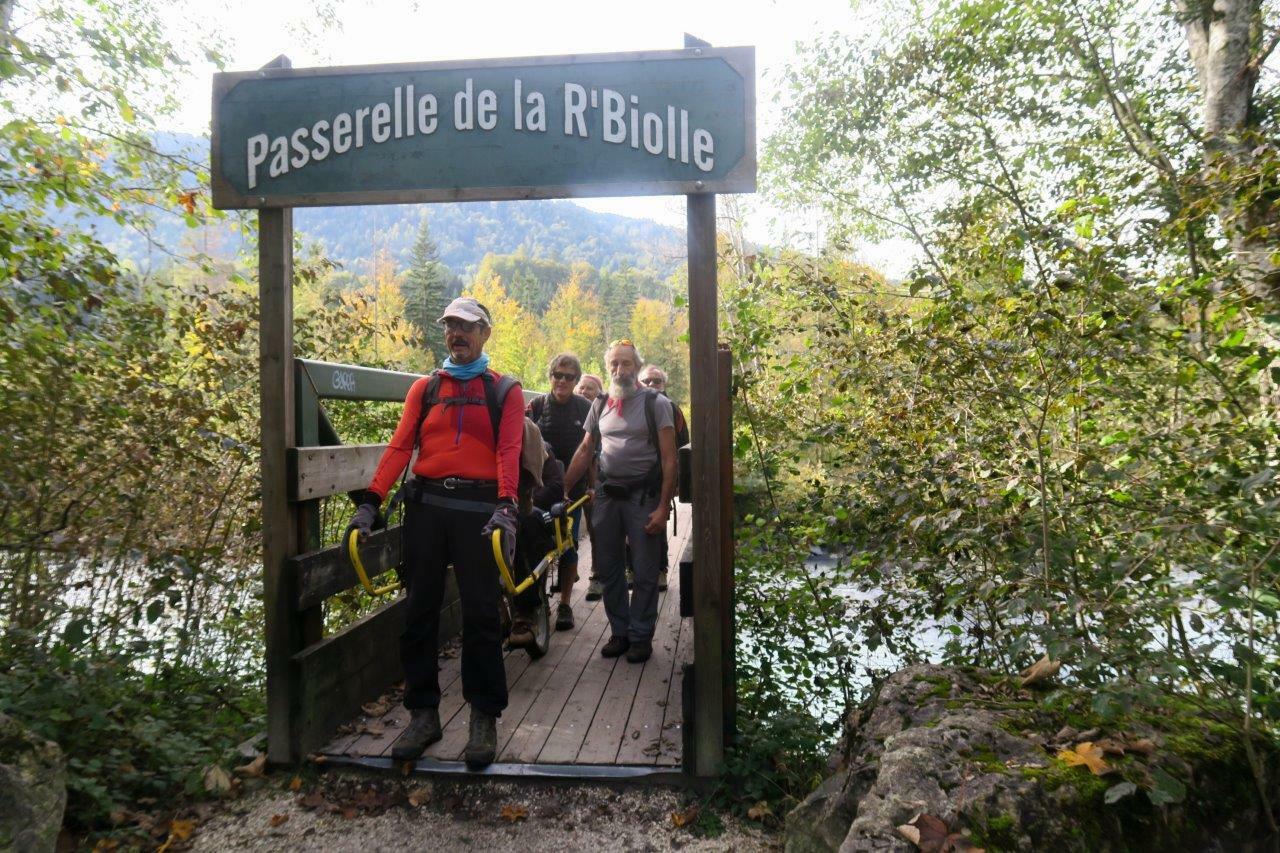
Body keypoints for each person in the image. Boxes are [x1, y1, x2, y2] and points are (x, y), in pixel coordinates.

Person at [345, 296, 522, 770]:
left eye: (466, 326)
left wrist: (507, 505)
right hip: (426, 508)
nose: (456, 334)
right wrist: (371, 502)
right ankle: (423, 715)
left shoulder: (504, 390)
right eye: (450, 326)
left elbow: (508, 450)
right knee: (418, 613)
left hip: (479, 512)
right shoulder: (424, 389)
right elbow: (400, 447)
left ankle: (483, 716)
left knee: (481, 614)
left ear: (484, 333)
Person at [563, 340, 677, 664]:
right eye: (614, 363)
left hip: (643, 497)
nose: (619, 370)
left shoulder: (656, 404)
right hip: (607, 497)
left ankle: (640, 636)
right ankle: (620, 632)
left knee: (644, 570)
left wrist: (663, 506)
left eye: (626, 363)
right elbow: (586, 449)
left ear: (637, 367)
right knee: (609, 568)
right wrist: (563, 488)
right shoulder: (600, 403)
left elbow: (670, 459)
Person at [525, 353, 591, 631]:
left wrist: (591, 485)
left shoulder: (585, 407)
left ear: (576, 380)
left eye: (569, 377)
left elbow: (592, 450)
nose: (562, 380)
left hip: (574, 488)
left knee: (568, 543)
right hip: (541, 487)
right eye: (557, 375)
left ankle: (565, 603)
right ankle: (538, 601)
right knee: (538, 542)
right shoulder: (537, 406)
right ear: (550, 376)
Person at [638, 365, 689, 591]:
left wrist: (678, 483)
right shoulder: (632, 405)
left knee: (657, 523)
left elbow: (684, 444)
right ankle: (633, 569)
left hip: (661, 478)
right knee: (630, 525)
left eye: (656, 381)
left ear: (664, 384)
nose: (651, 384)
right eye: (646, 381)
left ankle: (660, 570)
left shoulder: (672, 409)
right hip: (634, 476)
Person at [573, 372, 605, 600]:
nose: (584, 392)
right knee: (565, 529)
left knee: (596, 529)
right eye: (581, 387)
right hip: (571, 478)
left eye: (589, 389)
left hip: (595, 479)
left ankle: (597, 575)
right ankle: (569, 570)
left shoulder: (603, 414)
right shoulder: (569, 409)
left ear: (598, 394)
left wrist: (593, 484)